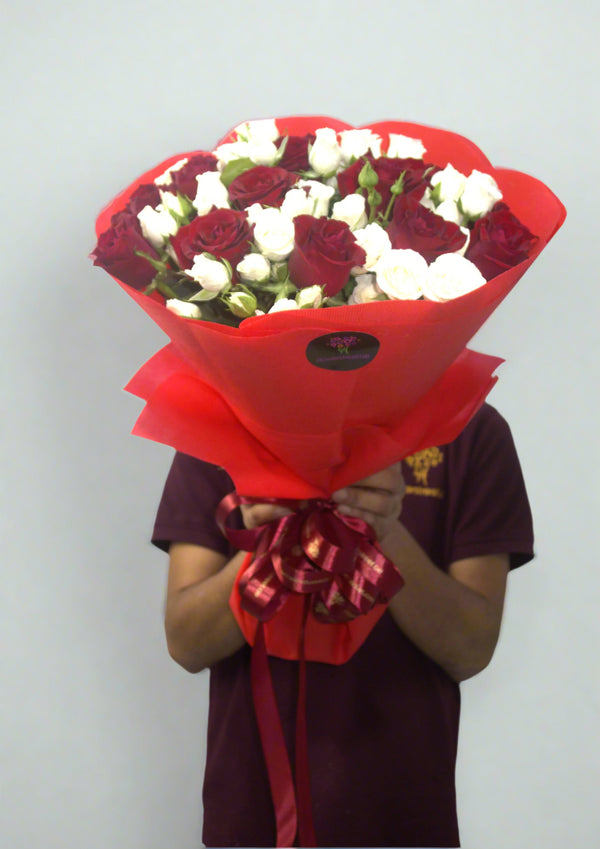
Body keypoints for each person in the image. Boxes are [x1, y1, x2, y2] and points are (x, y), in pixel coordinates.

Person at [152, 402, 533, 848]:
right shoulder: (222, 423)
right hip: (253, 816)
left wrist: (383, 529)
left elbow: (470, 649)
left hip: (403, 817)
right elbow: (187, 642)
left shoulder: (469, 426)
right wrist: (272, 538)